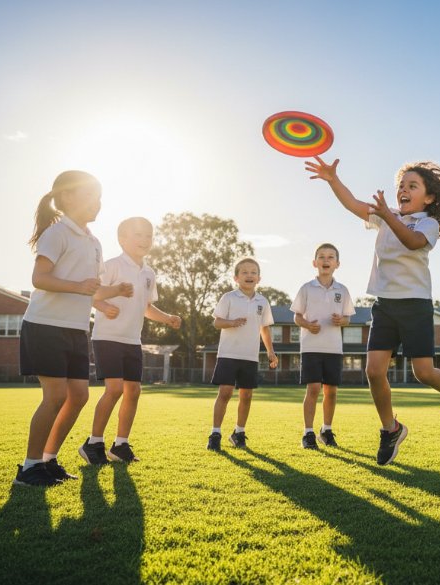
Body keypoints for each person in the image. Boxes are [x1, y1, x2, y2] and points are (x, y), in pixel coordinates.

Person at [305, 156, 440, 466]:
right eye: (400, 186)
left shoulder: (427, 223)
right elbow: (353, 203)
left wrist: (386, 215)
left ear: (429, 196)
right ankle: (390, 428)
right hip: (385, 306)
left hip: (416, 305)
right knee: (374, 371)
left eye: (412, 185)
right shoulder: (386, 215)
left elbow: (411, 242)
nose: (403, 190)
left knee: (423, 372)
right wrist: (332, 180)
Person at [15, 170, 131, 487]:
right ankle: (28, 467)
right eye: (92, 195)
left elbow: (89, 290)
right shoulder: (57, 233)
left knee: (78, 396)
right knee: (54, 397)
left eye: (100, 196)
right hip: (45, 326)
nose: (99, 203)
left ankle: (48, 460)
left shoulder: (94, 242)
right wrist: (79, 286)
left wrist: (115, 290)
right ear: (67, 197)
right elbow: (40, 279)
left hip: (76, 330)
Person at [78, 217, 182, 465]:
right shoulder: (112, 266)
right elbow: (91, 293)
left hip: (132, 340)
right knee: (114, 389)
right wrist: (103, 305)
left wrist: (167, 318)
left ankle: (120, 445)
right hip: (107, 337)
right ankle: (93, 443)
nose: (145, 240)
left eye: (149, 235)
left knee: (133, 391)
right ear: (122, 239)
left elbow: (146, 307)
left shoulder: (148, 273)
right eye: (138, 235)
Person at [207, 258, 278, 451]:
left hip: (250, 357)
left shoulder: (262, 301)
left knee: (246, 395)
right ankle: (215, 433)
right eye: (245, 272)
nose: (249, 275)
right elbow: (217, 322)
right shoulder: (228, 297)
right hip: (228, 354)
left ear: (259, 278)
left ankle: (238, 433)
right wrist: (231, 323)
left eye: (253, 272)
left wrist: (271, 351)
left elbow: (264, 328)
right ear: (236, 278)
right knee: (225, 393)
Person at [290, 243, 356, 450]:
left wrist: (341, 321)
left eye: (330, 257)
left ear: (337, 264)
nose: (326, 260)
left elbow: (348, 319)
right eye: (321, 257)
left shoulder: (342, 290)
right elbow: (296, 316)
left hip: (334, 349)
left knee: (332, 391)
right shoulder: (306, 288)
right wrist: (308, 325)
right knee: (313, 389)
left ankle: (326, 430)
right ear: (314, 262)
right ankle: (308, 433)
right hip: (311, 347)